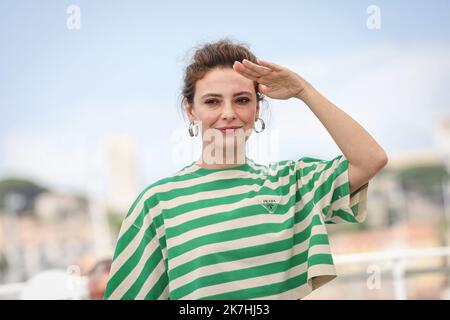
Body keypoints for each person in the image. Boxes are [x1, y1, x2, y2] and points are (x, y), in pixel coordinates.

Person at [103, 38, 388, 300]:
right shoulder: (157, 203)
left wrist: (304, 91)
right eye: (213, 101)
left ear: (257, 109)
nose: (229, 113)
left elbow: (370, 159)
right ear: (191, 110)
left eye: (242, 100)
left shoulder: (292, 184)